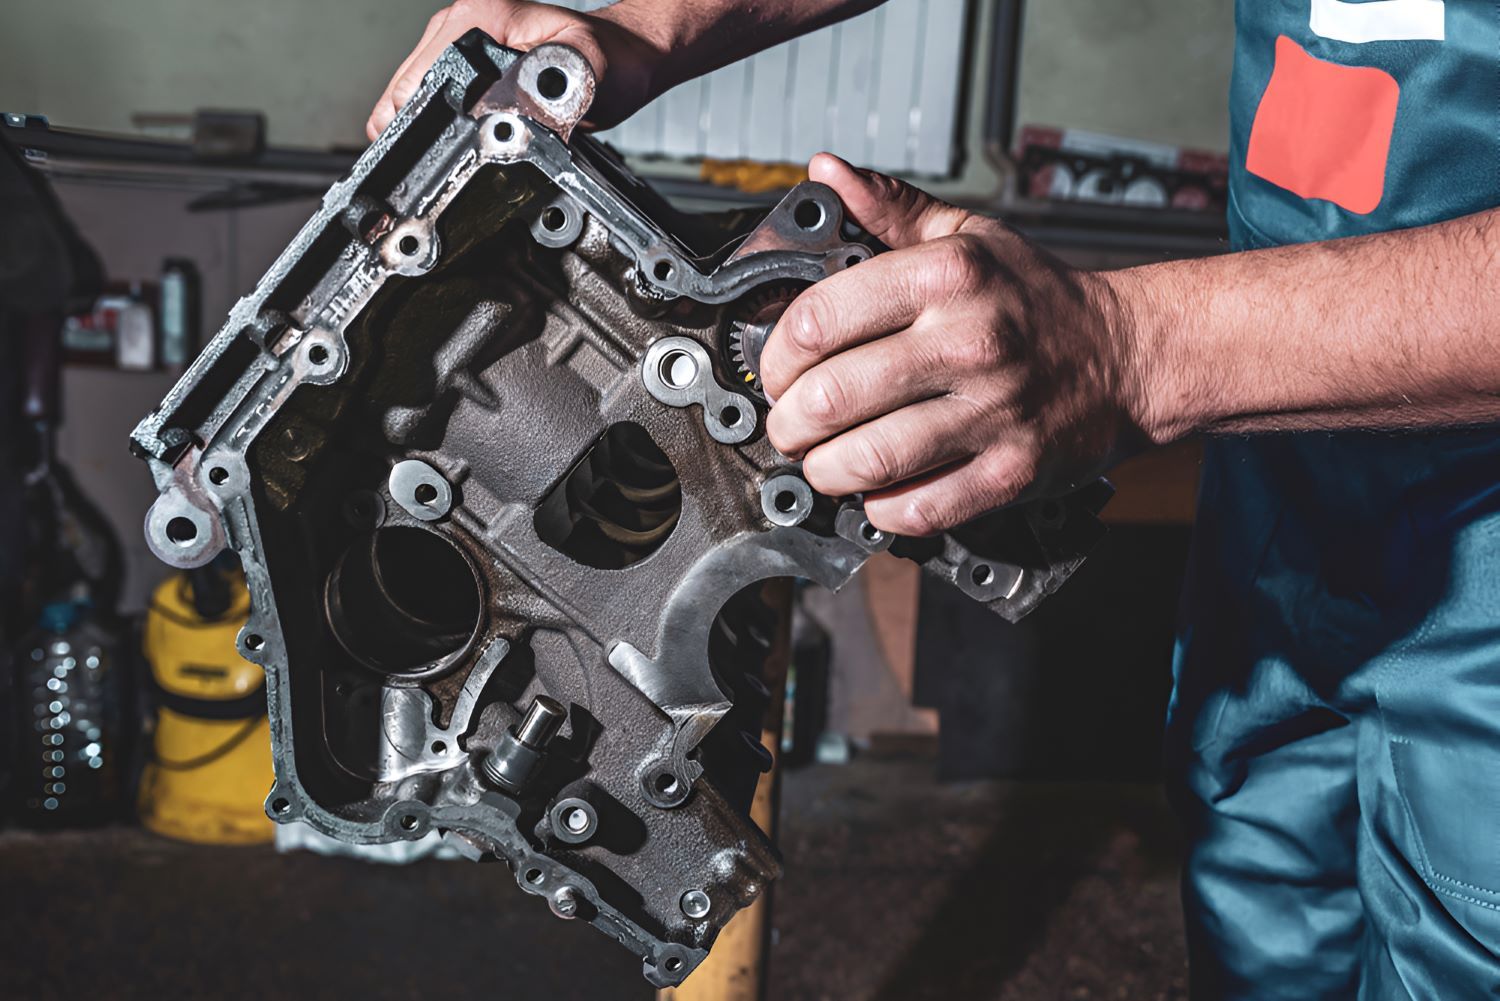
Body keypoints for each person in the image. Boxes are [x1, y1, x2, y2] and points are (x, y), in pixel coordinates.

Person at [371, 3, 1500, 996]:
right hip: (1294, 480)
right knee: (1262, 915)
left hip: (1482, 564)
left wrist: (1133, 347)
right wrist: (642, 28)